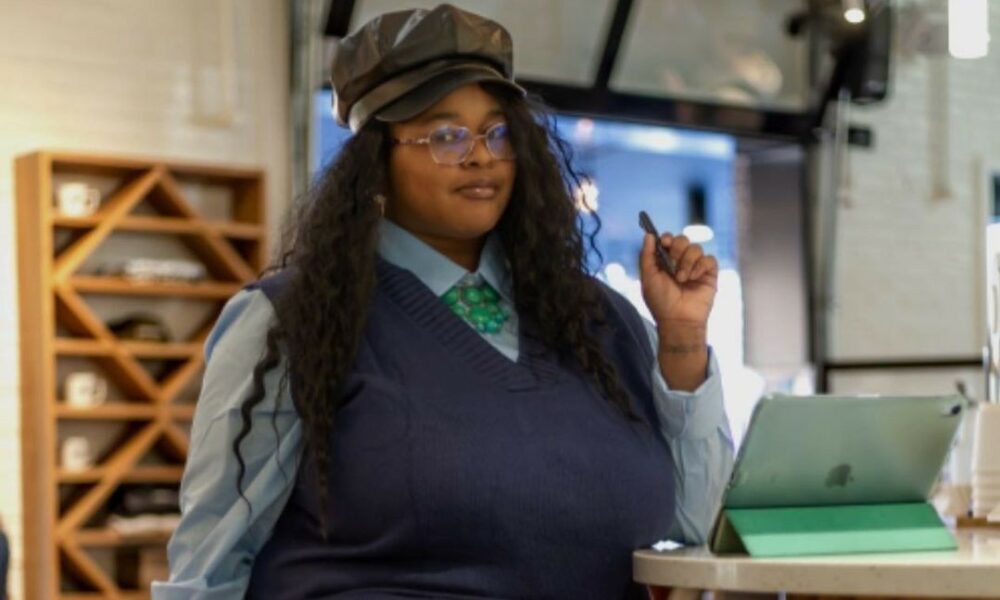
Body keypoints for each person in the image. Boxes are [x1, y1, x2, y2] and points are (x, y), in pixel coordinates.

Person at [153, 4, 733, 599]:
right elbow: (210, 568)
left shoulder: (601, 321)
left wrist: (683, 337)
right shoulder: (290, 321)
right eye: (445, 136)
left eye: (498, 132)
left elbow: (700, 528)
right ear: (376, 161)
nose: (480, 155)